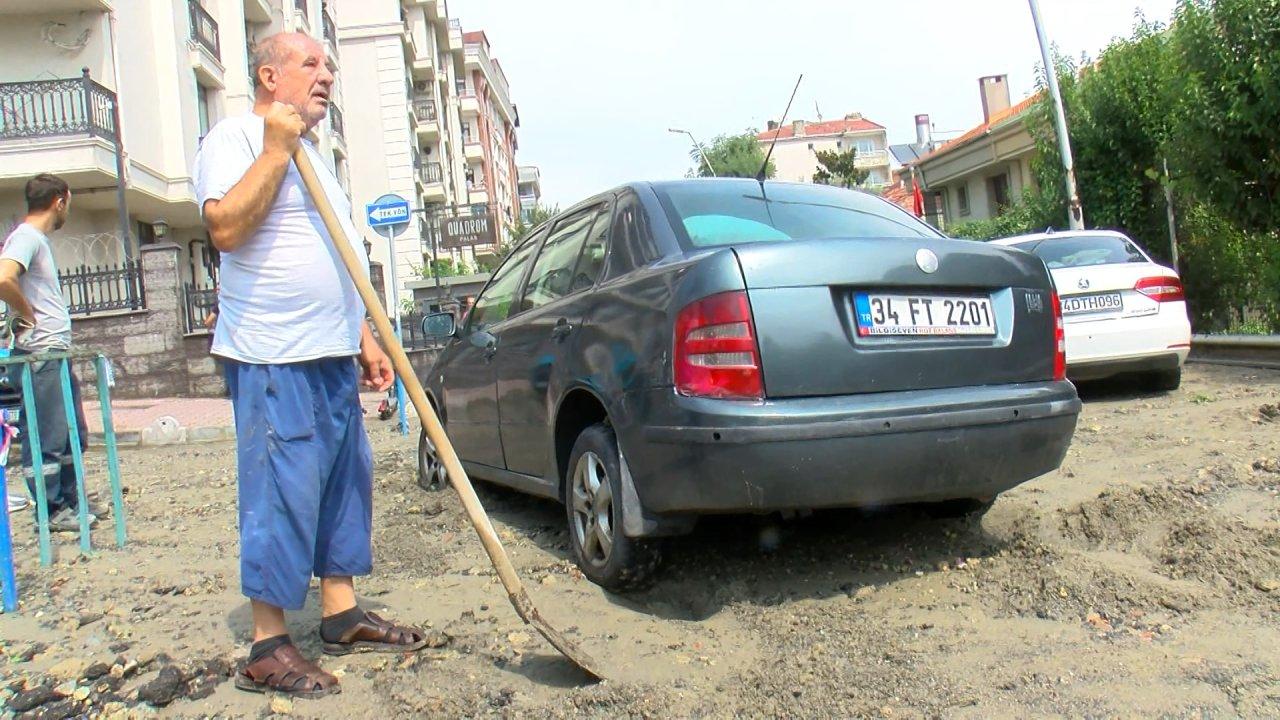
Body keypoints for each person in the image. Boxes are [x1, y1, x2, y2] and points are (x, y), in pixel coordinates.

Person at [195, 32, 427, 698]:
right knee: (281, 489)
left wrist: (364, 335)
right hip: (274, 352)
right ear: (270, 76)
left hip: (329, 351)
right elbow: (225, 229)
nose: (326, 75)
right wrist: (275, 149)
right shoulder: (236, 139)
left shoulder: (319, 159)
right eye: (310, 64)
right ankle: (268, 644)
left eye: (328, 65)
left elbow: (335, 252)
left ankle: (340, 612)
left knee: (343, 483)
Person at [0, 174, 101, 532]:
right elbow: (3, 277)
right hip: (40, 354)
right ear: (60, 201)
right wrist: (27, 313)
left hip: (53, 352)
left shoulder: (35, 239)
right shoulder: (26, 237)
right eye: (68, 204)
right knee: (47, 436)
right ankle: (52, 510)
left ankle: (72, 501)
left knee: (71, 432)